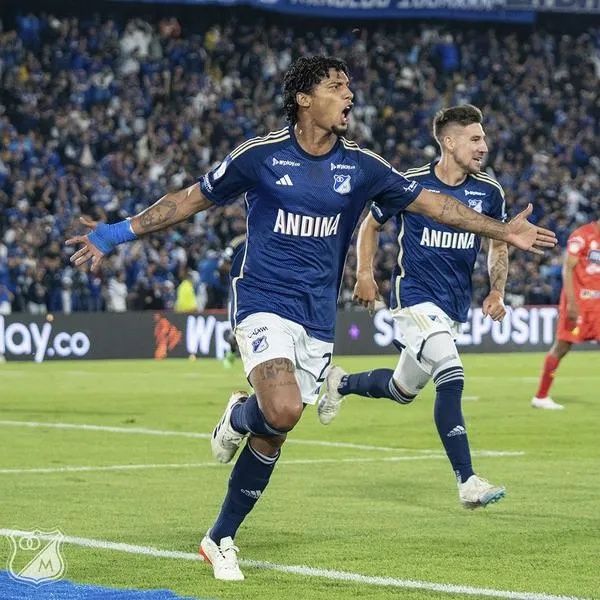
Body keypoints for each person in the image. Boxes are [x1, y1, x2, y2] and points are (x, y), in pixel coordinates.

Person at [66, 57, 556, 581]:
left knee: (276, 427)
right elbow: (189, 201)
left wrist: (503, 231)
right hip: (262, 297)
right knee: (280, 408)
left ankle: (221, 518)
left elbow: (436, 206)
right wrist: (114, 234)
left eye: (349, 87)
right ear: (304, 99)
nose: (349, 96)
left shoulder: (364, 166)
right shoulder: (260, 156)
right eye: (336, 87)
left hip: (317, 316)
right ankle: (230, 513)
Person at [318, 104, 510, 510]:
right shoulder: (412, 184)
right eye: (475, 139)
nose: (484, 146)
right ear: (449, 142)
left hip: (453, 309)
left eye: (483, 138)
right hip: (414, 302)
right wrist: (365, 274)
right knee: (452, 374)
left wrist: (497, 291)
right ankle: (467, 480)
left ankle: (341, 383)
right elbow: (370, 224)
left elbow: (498, 244)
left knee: (401, 390)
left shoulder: (490, 192)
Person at [532, 219, 600, 410]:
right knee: (562, 347)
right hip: (579, 303)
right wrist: (571, 302)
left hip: (598, 305)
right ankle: (541, 396)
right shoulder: (582, 236)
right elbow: (568, 268)